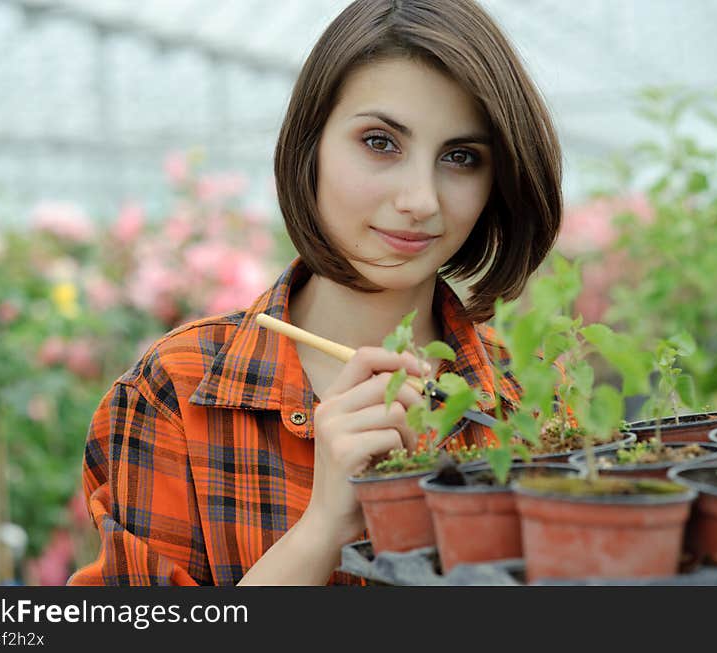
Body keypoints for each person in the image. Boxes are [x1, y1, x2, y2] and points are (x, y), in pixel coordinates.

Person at [68, 0, 561, 586]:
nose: (421, 199)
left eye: (461, 157)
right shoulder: (177, 392)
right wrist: (323, 526)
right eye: (380, 142)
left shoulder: (532, 400)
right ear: (311, 147)